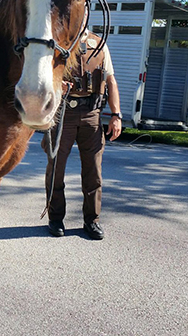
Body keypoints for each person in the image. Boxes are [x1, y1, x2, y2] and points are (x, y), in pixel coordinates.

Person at [42, 30, 121, 240]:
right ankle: (56, 218)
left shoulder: (99, 44)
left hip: (91, 115)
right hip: (63, 113)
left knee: (93, 171)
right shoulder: (57, 42)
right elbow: (42, 76)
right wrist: (57, 84)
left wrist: (116, 115)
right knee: (56, 168)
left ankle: (92, 221)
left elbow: (111, 81)